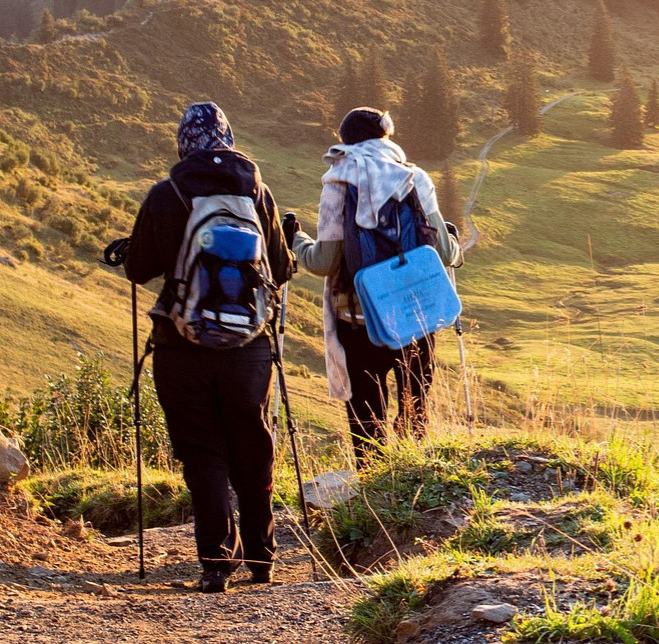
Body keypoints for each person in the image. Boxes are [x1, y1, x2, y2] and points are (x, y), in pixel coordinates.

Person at [124, 102, 294, 594]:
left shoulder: (166, 193)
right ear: (228, 138)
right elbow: (280, 271)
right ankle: (263, 557)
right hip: (250, 348)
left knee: (202, 451)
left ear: (184, 142)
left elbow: (139, 269)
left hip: (181, 346)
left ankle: (216, 562)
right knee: (252, 445)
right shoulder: (257, 191)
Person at [286, 107, 460, 469]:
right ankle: (416, 487)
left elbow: (323, 262)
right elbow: (444, 252)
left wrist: (295, 239)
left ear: (345, 142)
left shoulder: (338, 181)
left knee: (368, 421)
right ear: (386, 137)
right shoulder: (415, 178)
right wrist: (453, 241)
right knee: (415, 412)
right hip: (416, 316)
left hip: (359, 318)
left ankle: (375, 495)